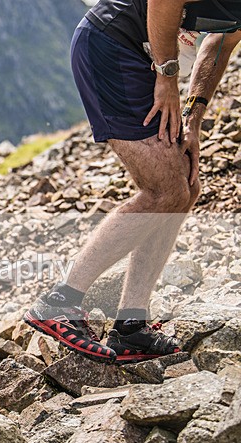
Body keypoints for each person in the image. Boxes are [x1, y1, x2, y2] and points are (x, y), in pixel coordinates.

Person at [24, 0, 241, 364]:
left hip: (144, 55)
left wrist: (193, 116)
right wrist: (167, 77)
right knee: (165, 190)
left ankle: (131, 325)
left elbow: (223, 39)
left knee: (185, 187)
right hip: (111, 45)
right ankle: (59, 302)